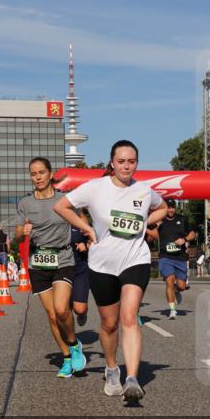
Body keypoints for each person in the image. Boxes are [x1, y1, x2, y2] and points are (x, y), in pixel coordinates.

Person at [55, 140, 167, 403]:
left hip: (135, 259)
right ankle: (112, 368)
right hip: (102, 263)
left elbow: (161, 207)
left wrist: (142, 224)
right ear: (112, 163)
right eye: (122, 161)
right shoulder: (96, 188)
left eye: (132, 161)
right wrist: (87, 228)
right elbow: (61, 206)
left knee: (129, 316)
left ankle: (132, 379)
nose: (127, 166)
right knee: (109, 323)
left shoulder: (144, 190)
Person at [15, 158, 85, 378]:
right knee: (52, 316)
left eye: (41, 172)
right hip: (39, 260)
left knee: (62, 308)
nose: (37, 177)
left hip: (63, 257)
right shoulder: (25, 203)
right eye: (33, 173)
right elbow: (16, 235)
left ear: (50, 174)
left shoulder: (64, 199)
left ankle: (73, 344)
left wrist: (88, 235)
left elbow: (81, 220)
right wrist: (22, 232)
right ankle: (66, 357)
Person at [150, 200, 197, 319]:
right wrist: (155, 227)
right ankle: (172, 310)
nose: (170, 210)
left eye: (172, 208)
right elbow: (151, 238)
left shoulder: (182, 219)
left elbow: (192, 234)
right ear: (165, 208)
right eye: (168, 208)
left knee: (181, 286)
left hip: (180, 257)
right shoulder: (159, 221)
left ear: (175, 208)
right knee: (169, 280)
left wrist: (184, 239)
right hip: (165, 256)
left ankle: (177, 290)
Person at [70, 221, 91, 327]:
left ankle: (83, 312)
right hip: (60, 269)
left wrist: (87, 246)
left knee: (79, 309)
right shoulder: (54, 223)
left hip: (80, 268)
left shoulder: (81, 222)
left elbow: (96, 240)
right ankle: (70, 337)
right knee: (63, 309)